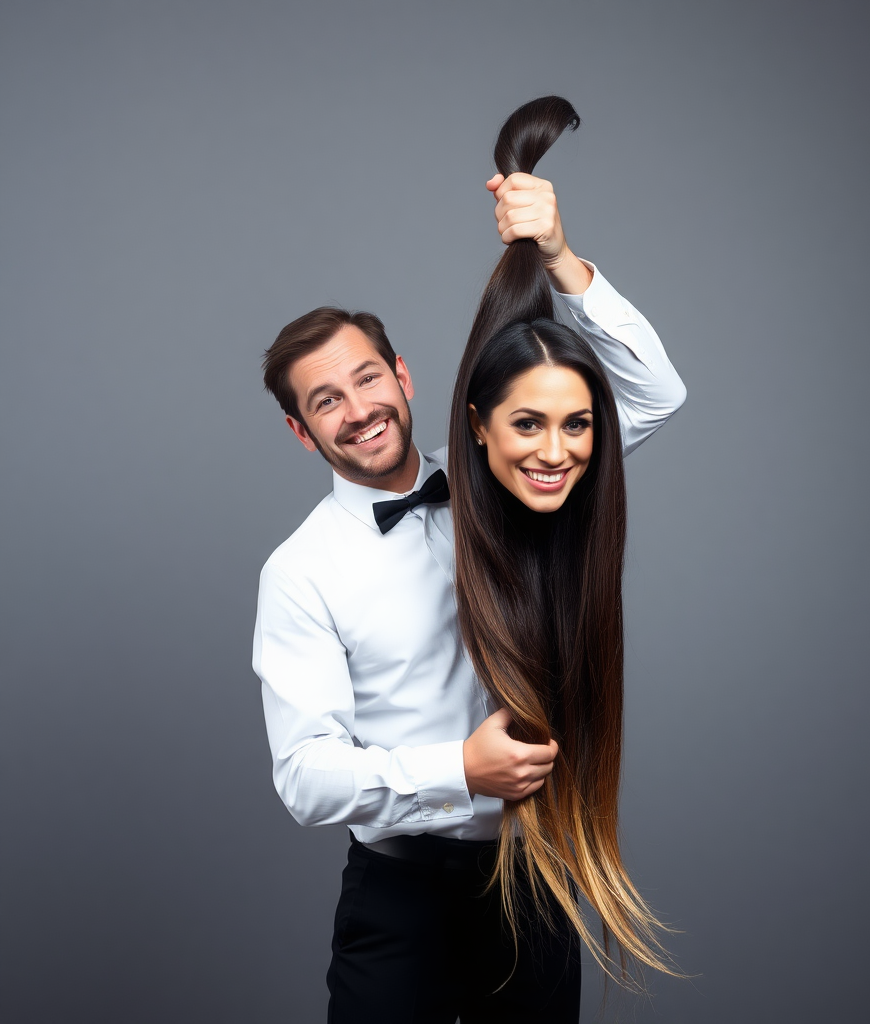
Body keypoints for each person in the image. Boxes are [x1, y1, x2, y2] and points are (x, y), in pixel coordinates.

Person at [253, 98, 685, 1023]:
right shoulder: (300, 571)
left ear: (404, 377)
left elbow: (652, 395)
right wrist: (458, 769)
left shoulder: (507, 471)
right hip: (399, 896)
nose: (358, 407)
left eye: (367, 377)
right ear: (301, 433)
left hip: (534, 882)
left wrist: (563, 258)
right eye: (325, 401)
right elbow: (306, 777)